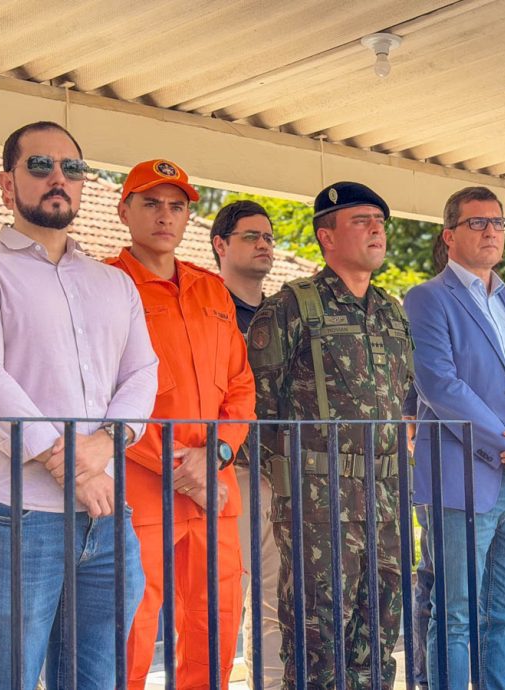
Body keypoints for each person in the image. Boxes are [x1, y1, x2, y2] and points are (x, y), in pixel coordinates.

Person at [0, 121, 158, 689]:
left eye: (72, 168)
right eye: (40, 166)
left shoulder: (114, 284)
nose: (58, 178)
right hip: (15, 517)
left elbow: (143, 372)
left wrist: (104, 444)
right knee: (8, 678)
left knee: (98, 678)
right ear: (6, 184)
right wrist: (73, 467)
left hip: (107, 517)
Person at [247, 181, 414, 690]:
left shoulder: (391, 311)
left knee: (380, 636)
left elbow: (403, 399)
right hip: (318, 501)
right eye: (361, 221)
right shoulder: (292, 307)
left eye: (380, 222)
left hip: (386, 500)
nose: (376, 230)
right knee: (318, 639)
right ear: (327, 236)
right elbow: (258, 406)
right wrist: (291, 479)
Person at [108, 159, 256, 690]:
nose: (165, 216)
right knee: (130, 624)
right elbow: (103, 391)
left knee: (215, 620)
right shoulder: (106, 285)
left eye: (176, 206)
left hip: (213, 483)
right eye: (151, 203)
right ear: (124, 210)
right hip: (141, 486)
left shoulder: (211, 290)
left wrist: (215, 455)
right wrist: (179, 467)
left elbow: (240, 386)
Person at [405, 186, 505, 690]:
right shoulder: (427, 298)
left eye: (498, 222)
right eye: (477, 222)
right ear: (449, 235)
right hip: (461, 480)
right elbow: (439, 384)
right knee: (455, 614)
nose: (491, 231)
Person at [210, 199, 282, 689]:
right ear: (221, 244)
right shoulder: (203, 308)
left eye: (269, 237)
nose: (264, 245)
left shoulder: (282, 316)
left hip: (277, 475)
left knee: (278, 601)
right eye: (251, 236)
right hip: (221, 472)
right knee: (216, 600)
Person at [409, 228, 450, 690]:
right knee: (434, 580)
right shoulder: (425, 307)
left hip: (489, 471)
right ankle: (423, 676)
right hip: (439, 470)